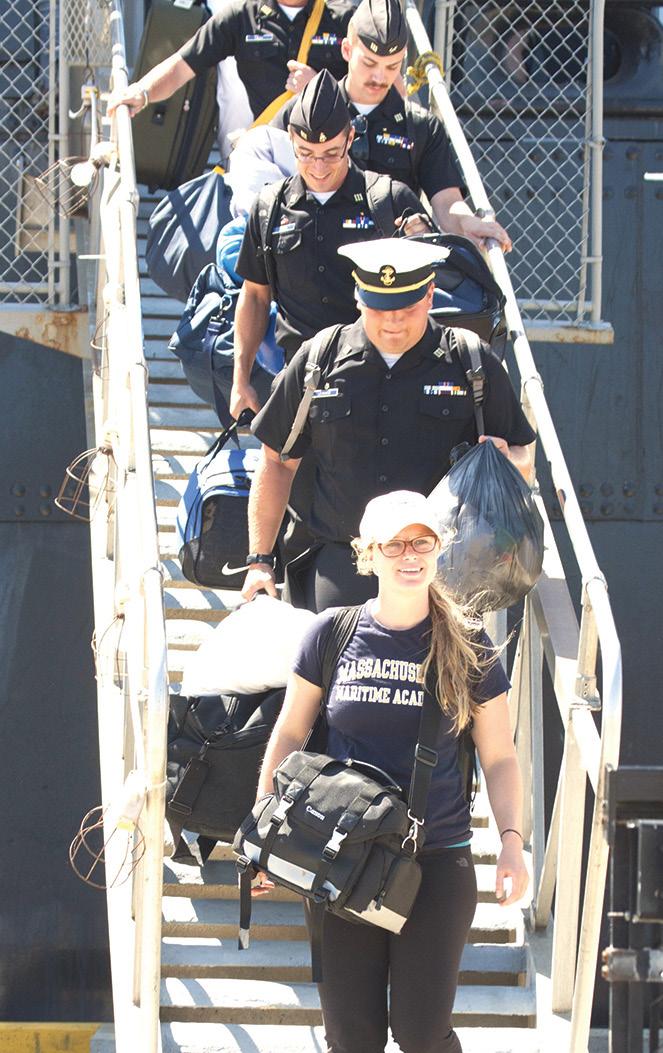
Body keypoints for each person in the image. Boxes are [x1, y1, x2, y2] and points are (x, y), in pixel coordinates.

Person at [252, 488, 529, 1053]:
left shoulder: (468, 644)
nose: (410, 555)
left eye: (422, 543)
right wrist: (265, 827)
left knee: (421, 1033)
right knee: (352, 1037)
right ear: (368, 554)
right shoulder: (331, 633)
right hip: (342, 858)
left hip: (436, 861)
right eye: (395, 544)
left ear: (438, 549)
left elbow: (500, 757)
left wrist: (511, 842)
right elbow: (290, 733)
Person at [241, 237, 536, 612]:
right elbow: (277, 461)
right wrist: (259, 561)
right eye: (379, 309)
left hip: (439, 570)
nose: (393, 322)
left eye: (406, 308)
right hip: (342, 564)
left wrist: (507, 458)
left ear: (429, 296)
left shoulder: (469, 362)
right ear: (359, 298)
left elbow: (523, 457)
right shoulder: (319, 360)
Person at [230, 68, 432, 418]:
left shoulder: (390, 201)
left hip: (379, 392)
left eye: (331, 153)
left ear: (350, 138)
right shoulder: (269, 207)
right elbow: (255, 295)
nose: (318, 167)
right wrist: (240, 379)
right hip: (299, 387)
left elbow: (429, 300)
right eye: (306, 153)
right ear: (290, 139)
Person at [271, 0, 512, 251]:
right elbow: (266, 175)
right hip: (316, 254)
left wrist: (467, 223)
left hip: (390, 262)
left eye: (391, 66)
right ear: (347, 50)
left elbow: (446, 202)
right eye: (369, 63)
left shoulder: (421, 126)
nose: (379, 77)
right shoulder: (303, 112)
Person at [106, 0, 353, 128]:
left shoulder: (343, 17)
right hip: (268, 154)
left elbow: (371, 85)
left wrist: (321, 89)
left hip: (329, 156)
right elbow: (182, 66)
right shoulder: (242, 16)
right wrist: (142, 92)